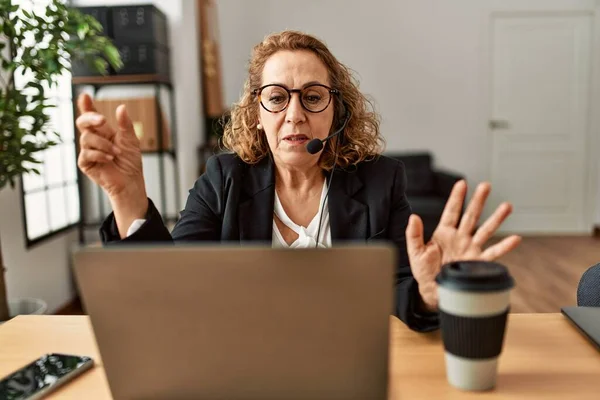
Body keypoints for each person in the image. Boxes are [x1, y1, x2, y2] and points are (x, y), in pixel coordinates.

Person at [75, 30, 521, 332]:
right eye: (276, 98)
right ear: (257, 112)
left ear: (336, 111)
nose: (295, 115)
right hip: (245, 363)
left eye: (312, 97)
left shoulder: (382, 181)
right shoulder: (223, 178)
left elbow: (402, 292)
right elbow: (170, 286)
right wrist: (127, 193)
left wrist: (427, 294)